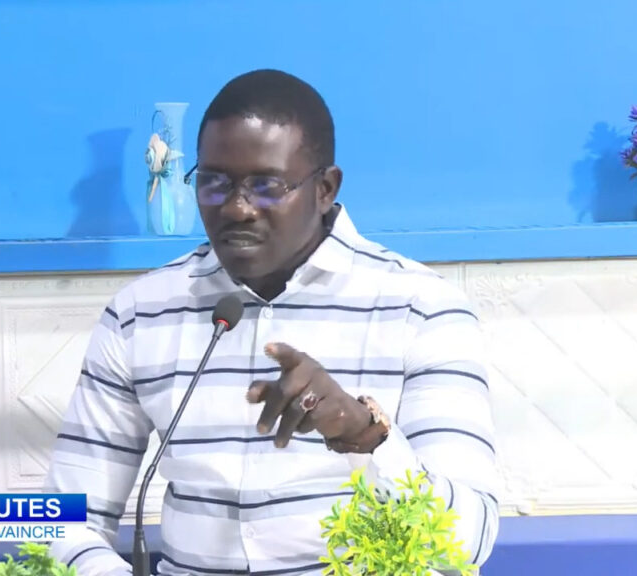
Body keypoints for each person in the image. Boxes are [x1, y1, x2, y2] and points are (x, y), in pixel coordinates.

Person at [45, 69, 499, 575]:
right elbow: (61, 521)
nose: (237, 208)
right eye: (214, 182)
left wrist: (364, 435)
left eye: (266, 185)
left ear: (324, 188)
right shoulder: (140, 313)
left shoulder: (422, 308)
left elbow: (469, 541)